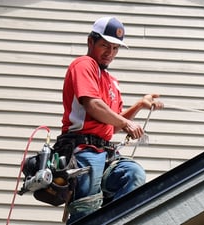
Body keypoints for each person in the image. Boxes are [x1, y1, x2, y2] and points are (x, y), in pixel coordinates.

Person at [58, 16, 164, 224]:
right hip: (82, 150)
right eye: (105, 45)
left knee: (133, 174)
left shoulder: (112, 82)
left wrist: (139, 105)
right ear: (91, 42)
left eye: (115, 48)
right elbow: (93, 105)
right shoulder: (84, 65)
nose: (110, 53)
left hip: (105, 152)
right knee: (86, 208)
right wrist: (126, 124)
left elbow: (113, 125)